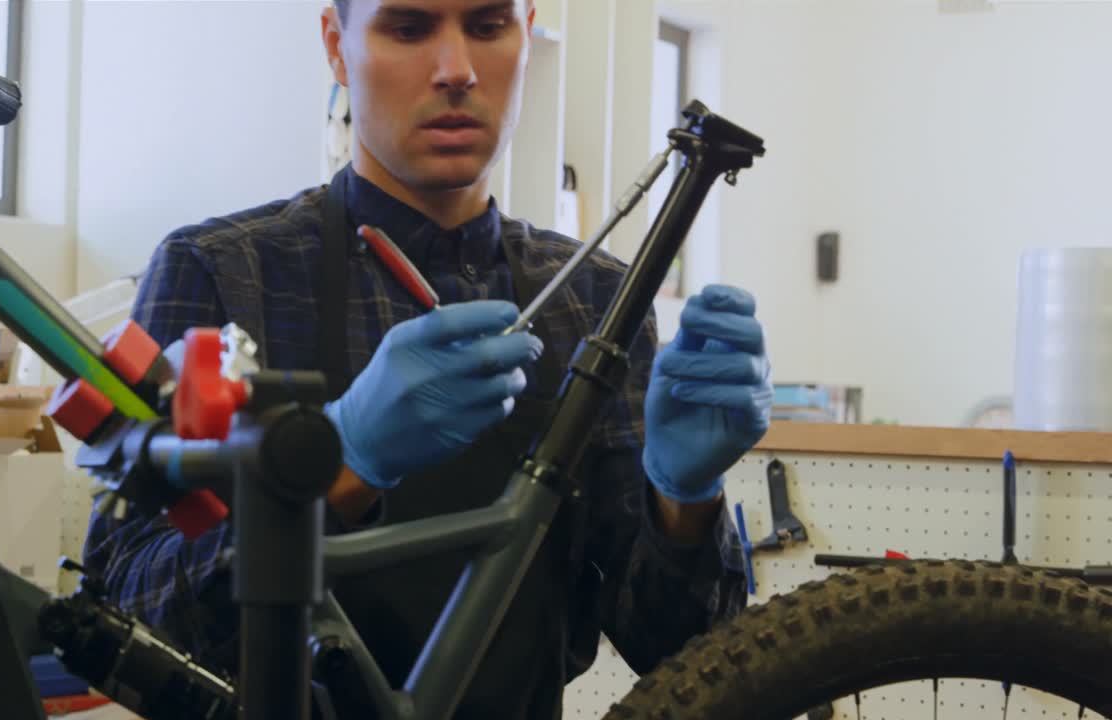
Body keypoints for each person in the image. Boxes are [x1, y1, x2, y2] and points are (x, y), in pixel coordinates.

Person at [82, 0, 773, 717]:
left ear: (525, 34)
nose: (457, 70)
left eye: (487, 26)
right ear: (334, 43)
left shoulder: (596, 298)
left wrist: (686, 500)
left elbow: (684, 651)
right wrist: (341, 464)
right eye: (408, 29)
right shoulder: (222, 274)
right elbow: (124, 619)